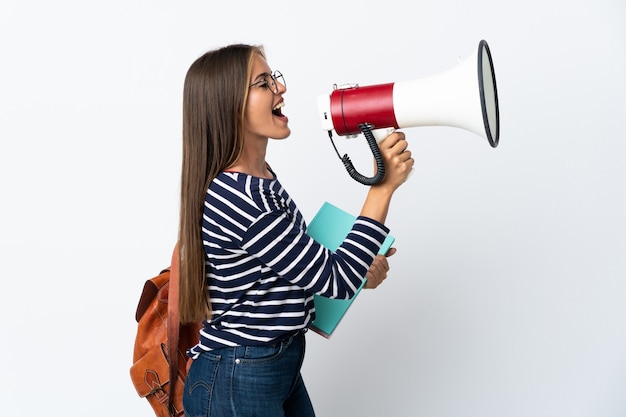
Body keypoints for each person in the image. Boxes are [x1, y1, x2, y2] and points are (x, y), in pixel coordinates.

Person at [177, 43, 414, 417]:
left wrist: (358, 271)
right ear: (228, 105)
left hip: (271, 366)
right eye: (262, 83)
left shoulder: (260, 180)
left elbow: (291, 274)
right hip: (239, 378)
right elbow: (334, 278)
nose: (280, 89)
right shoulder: (240, 197)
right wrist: (381, 188)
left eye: (274, 79)